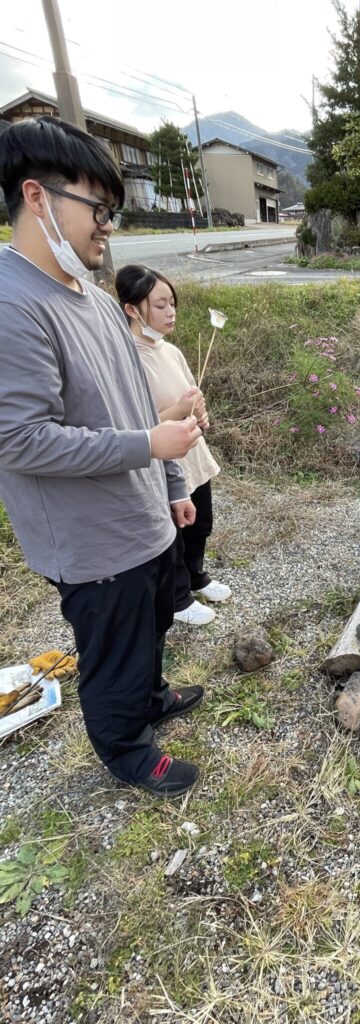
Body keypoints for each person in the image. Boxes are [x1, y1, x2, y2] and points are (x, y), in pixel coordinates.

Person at [0, 116, 204, 797]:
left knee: (150, 625)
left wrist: (170, 474)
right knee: (111, 648)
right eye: (99, 208)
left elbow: (134, 407)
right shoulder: (13, 303)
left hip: (142, 514)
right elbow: (20, 438)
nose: (107, 226)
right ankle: (124, 749)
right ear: (37, 197)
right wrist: (150, 445)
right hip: (89, 540)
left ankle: (149, 700)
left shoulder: (91, 296)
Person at [116, 265, 231, 627]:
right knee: (174, 533)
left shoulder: (170, 350)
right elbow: (137, 424)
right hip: (164, 464)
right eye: (161, 305)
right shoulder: (128, 359)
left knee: (201, 524)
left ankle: (196, 577)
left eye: (172, 303)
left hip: (194, 455)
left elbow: (190, 400)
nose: (171, 312)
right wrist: (180, 410)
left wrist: (200, 413)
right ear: (132, 309)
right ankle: (178, 597)